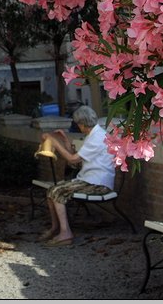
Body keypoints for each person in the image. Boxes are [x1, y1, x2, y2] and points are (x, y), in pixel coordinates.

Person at [38, 105, 114, 246]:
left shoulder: (97, 137)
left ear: (82, 124)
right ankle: (56, 228)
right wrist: (66, 140)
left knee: (57, 190)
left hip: (98, 184)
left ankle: (65, 233)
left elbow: (72, 160)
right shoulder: (93, 135)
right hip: (89, 180)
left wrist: (54, 141)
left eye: (78, 124)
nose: (78, 126)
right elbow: (75, 159)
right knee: (52, 191)